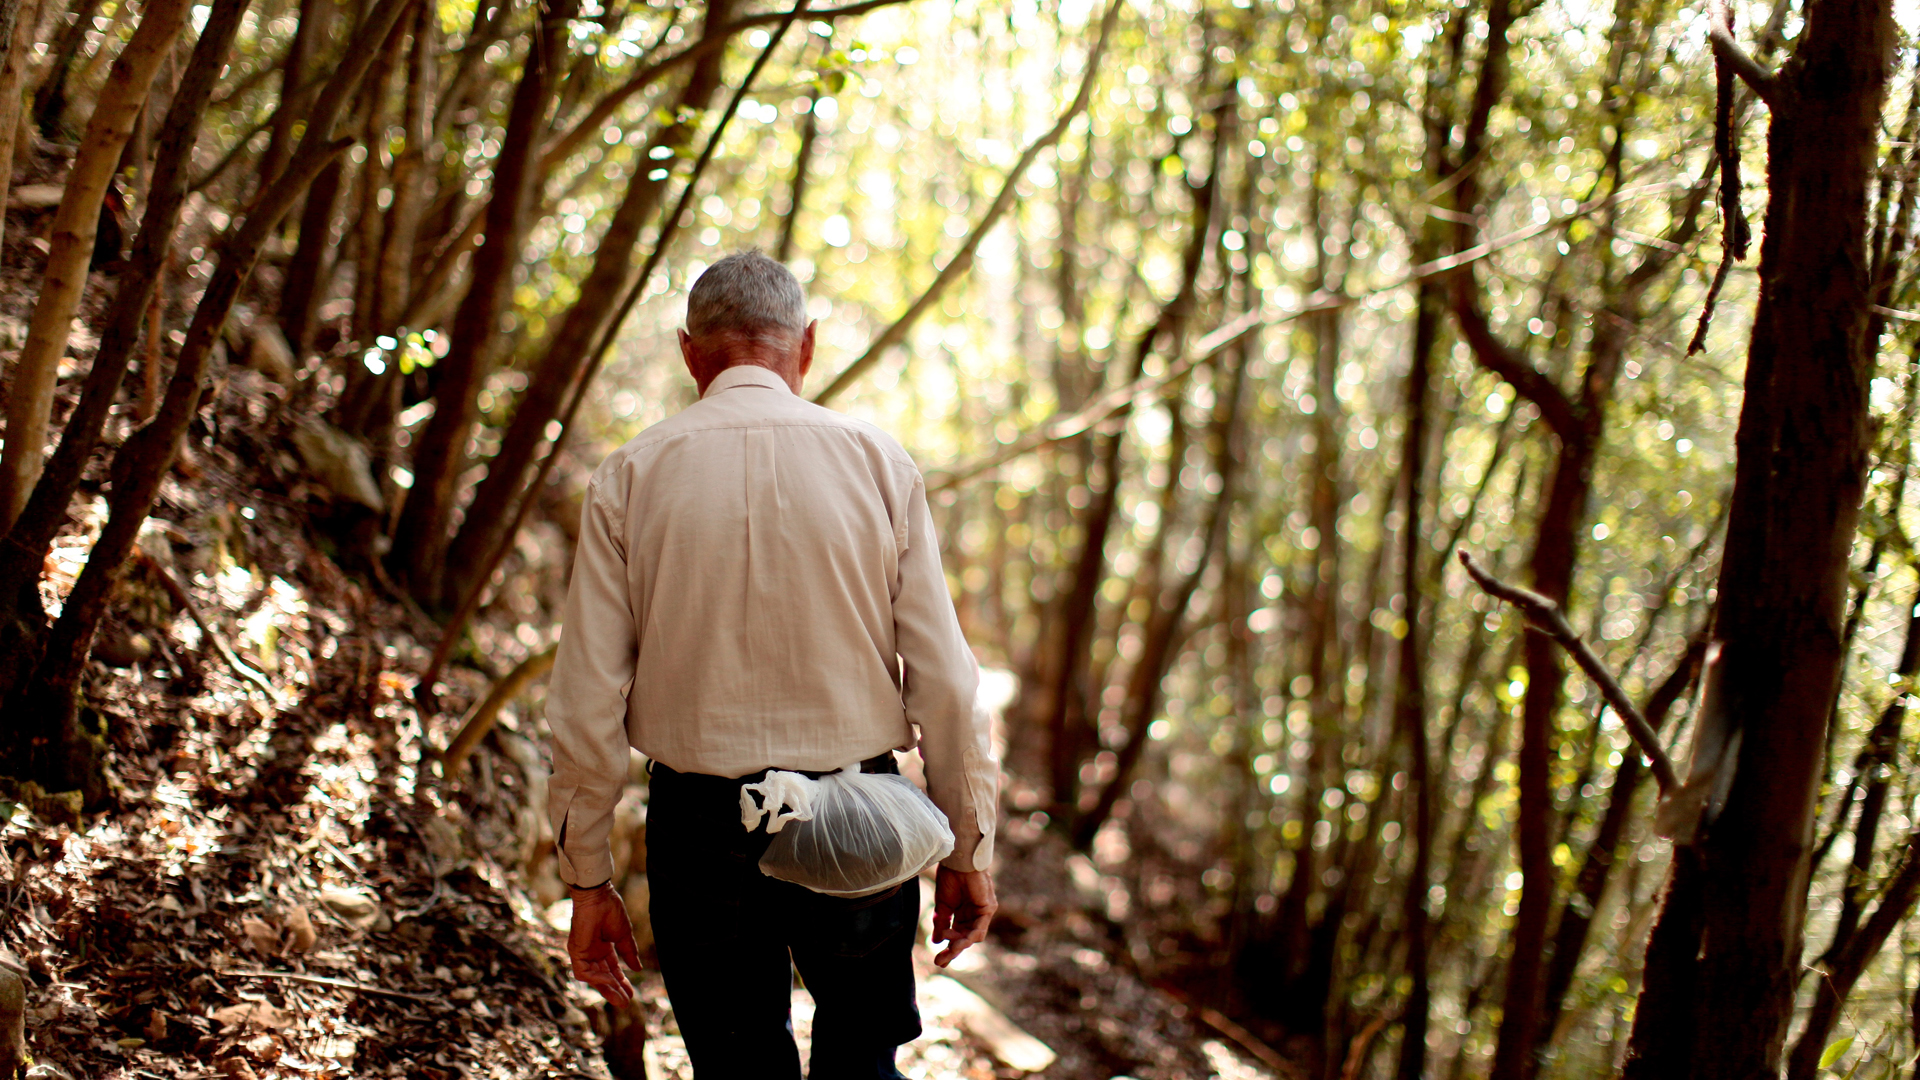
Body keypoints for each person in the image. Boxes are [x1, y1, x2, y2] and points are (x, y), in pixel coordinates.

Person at [544, 250, 999, 1079]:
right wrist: (967, 845)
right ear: (807, 345)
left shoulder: (631, 475)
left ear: (691, 352)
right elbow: (948, 683)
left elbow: (584, 701)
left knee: (735, 1067)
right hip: (858, 807)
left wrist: (587, 879)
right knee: (860, 1064)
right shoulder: (878, 465)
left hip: (698, 824)